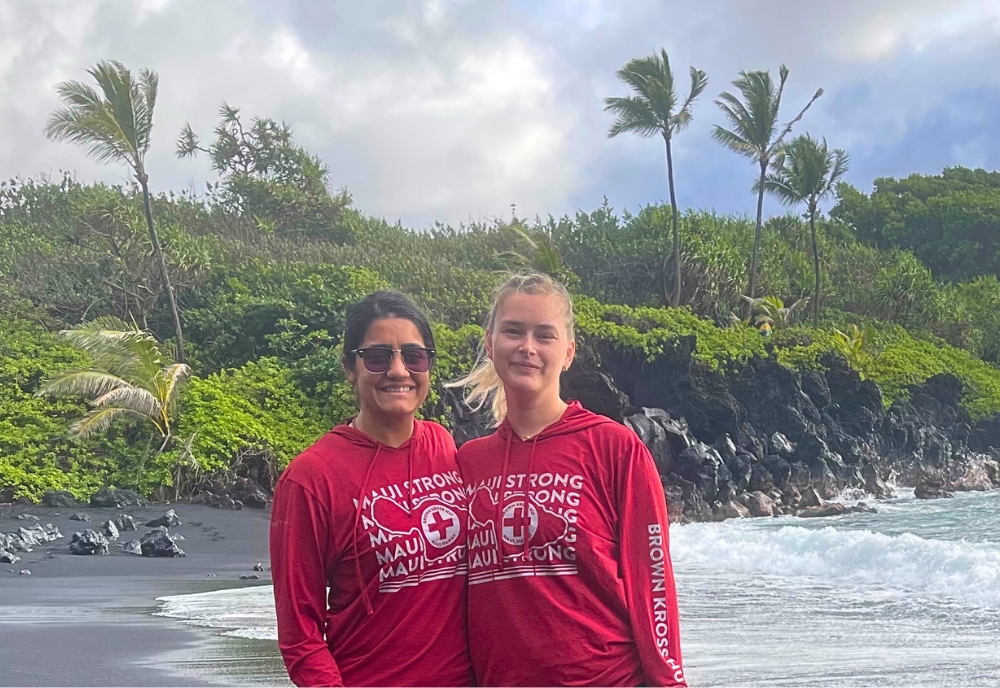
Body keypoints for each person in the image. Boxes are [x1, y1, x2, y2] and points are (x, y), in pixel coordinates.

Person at [451, 273, 686, 687]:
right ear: (490, 344)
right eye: (513, 331)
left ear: (568, 352)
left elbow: (653, 585)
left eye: (545, 335)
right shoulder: (468, 463)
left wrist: (670, 683)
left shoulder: (614, 448)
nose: (527, 347)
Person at [270, 291, 473, 687]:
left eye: (414, 356)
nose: (399, 371)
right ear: (350, 366)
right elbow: (300, 634)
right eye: (379, 357)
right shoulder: (310, 480)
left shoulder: (444, 446)